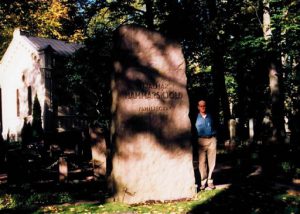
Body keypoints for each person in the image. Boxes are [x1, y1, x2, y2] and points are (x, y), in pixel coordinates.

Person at [195, 100, 217, 190]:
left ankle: (210, 181)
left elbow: (216, 125)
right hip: (201, 140)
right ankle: (203, 182)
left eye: (204, 105)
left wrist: (215, 137)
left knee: (212, 162)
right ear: (198, 107)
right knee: (202, 162)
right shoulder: (195, 117)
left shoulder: (211, 116)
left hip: (212, 139)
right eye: (201, 106)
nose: (203, 107)